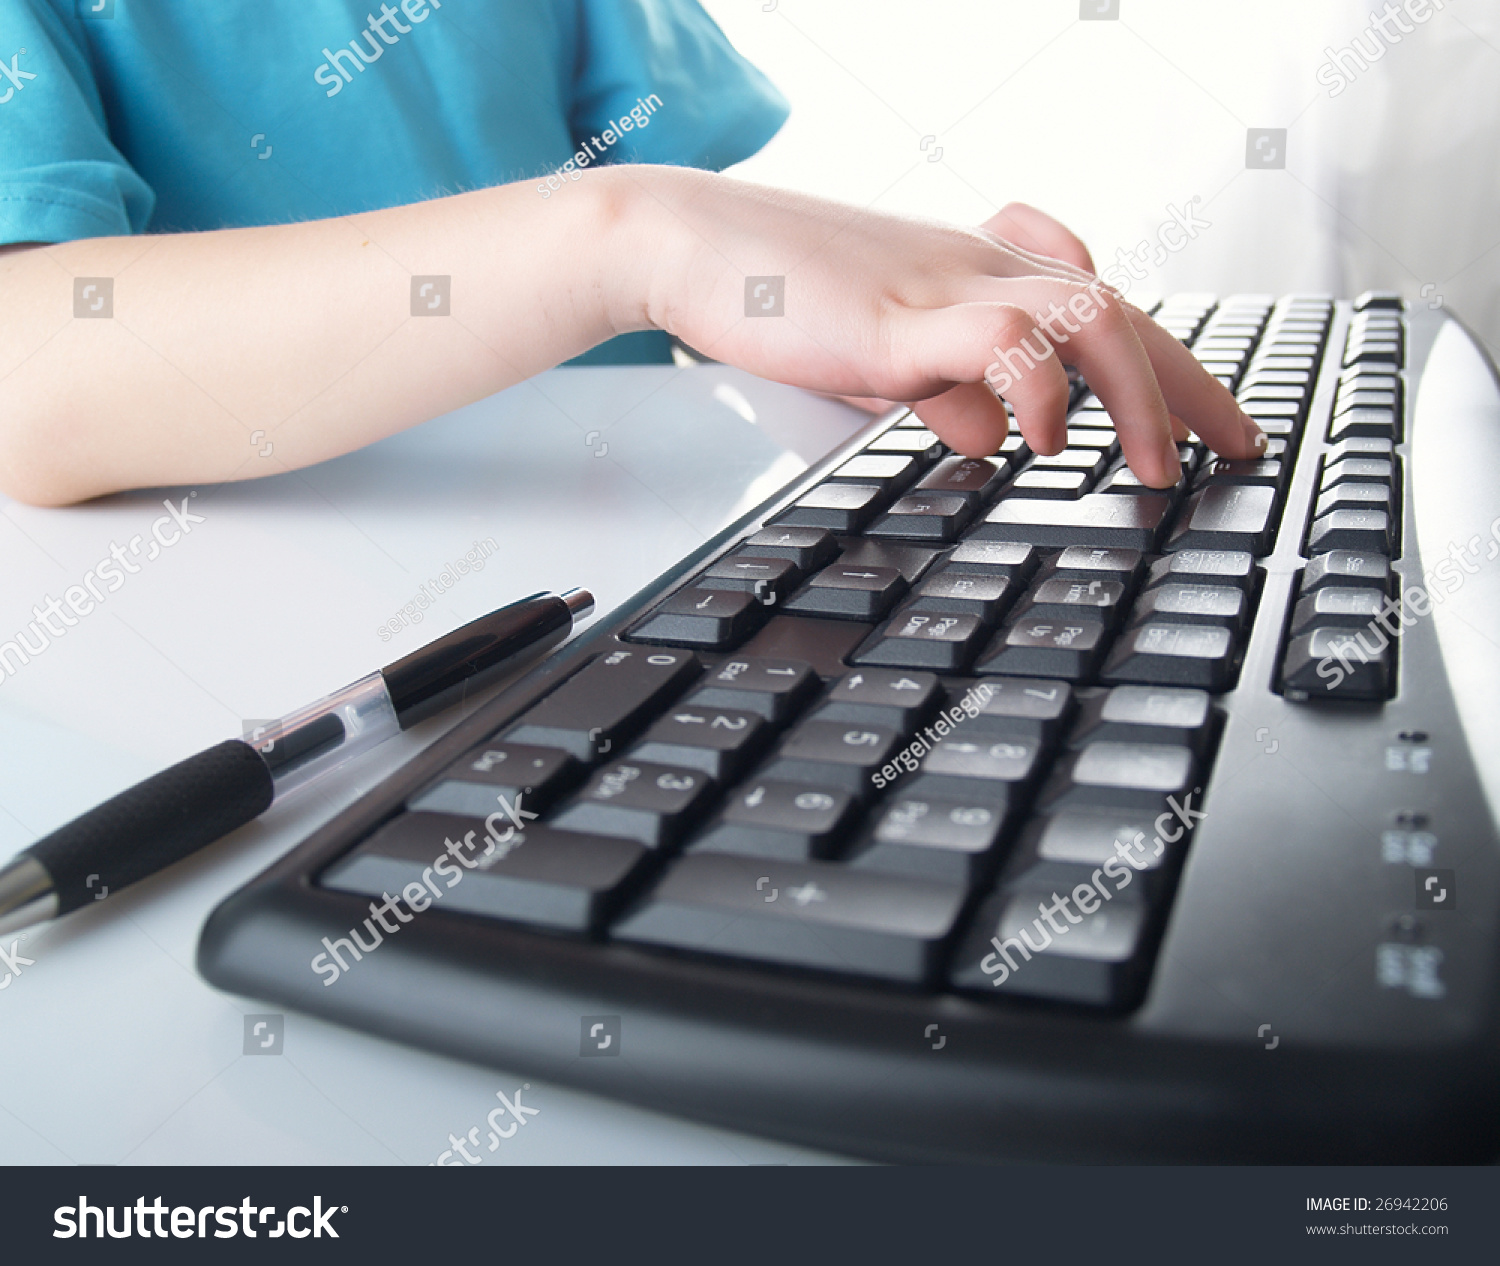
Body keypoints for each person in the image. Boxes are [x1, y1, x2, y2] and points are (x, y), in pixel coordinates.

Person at [0, 0, 1263, 508]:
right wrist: (631, 234)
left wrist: (890, 294)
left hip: (647, 595)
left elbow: (696, 254)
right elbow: (33, 376)